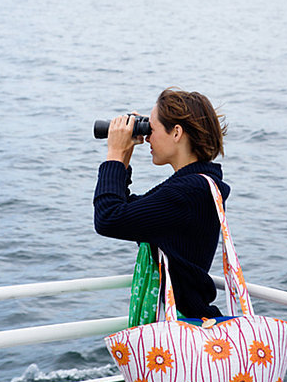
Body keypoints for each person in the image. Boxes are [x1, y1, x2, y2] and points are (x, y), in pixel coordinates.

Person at [93, 88, 230, 321]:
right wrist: (124, 155)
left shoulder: (190, 192)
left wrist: (115, 152)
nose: (147, 138)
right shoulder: (196, 186)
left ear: (176, 132)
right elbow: (128, 213)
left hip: (182, 328)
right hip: (183, 323)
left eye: (152, 130)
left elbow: (109, 219)